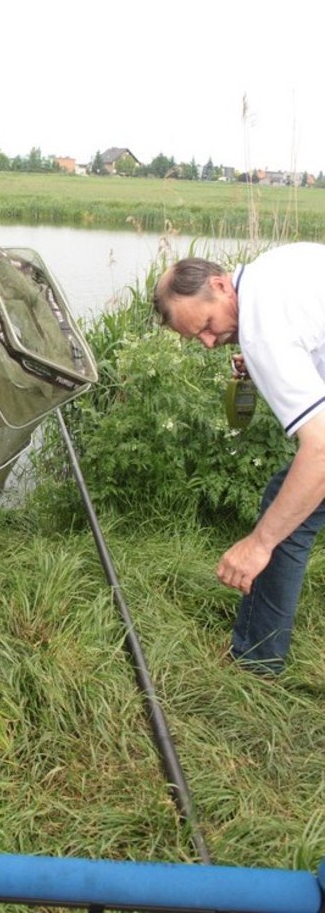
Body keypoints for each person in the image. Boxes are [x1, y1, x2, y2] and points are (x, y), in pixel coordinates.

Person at [153, 242, 325, 675]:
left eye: (208, 325)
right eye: (199, 339)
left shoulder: (261, 329)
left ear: (218, 284)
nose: (210, 343)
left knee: (285, 521)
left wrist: (258, 544)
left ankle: (257, 660)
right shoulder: (274, 266)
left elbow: (321, 449)